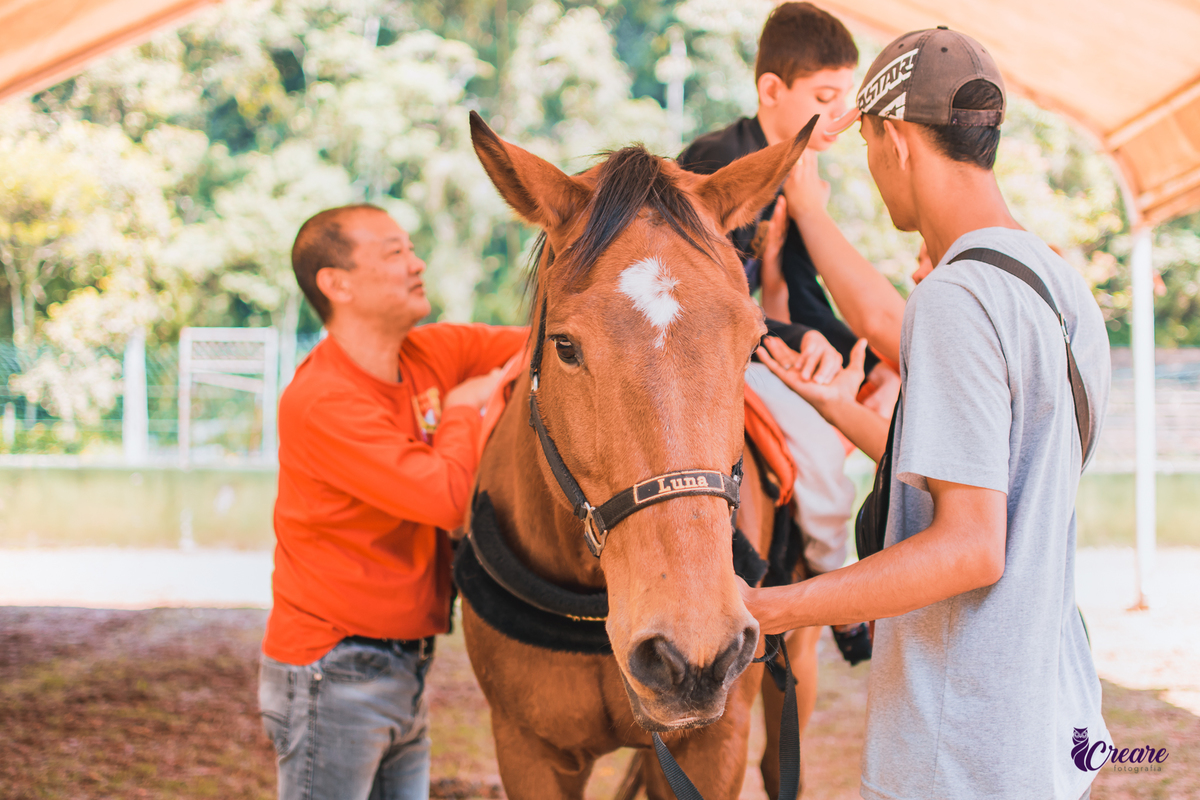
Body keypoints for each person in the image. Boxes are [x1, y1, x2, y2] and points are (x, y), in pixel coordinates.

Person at [741, 27, 1112, 800]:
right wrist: (845, 412)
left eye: (871, 147)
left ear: (896, 141)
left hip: (960, 748)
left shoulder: (955, 298)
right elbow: (1000, 483)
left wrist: (766, 608)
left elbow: (971, 547)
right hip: (1044, 728)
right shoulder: (1058, 284)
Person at [257, 204, 525, 800]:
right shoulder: (325, 400)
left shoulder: (432, 352)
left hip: (402, 667)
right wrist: (460, 410)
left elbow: (568, 341)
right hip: (335, 672)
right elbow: (452, 500)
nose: (416, 262)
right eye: (393, 252)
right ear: (337, 283)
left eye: (411, 247)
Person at [678, 1, 872, 669]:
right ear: (771, 91)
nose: (840, 117)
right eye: (825, 98)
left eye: (847, 99)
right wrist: (791, 334)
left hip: (751, 339)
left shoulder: (793, 168)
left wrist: (848, 345)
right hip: (701, 351)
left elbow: (796, 282)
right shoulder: (715, 163)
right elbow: (711, 300)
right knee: (818, 452)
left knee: (877, 377)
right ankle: (836, 587)